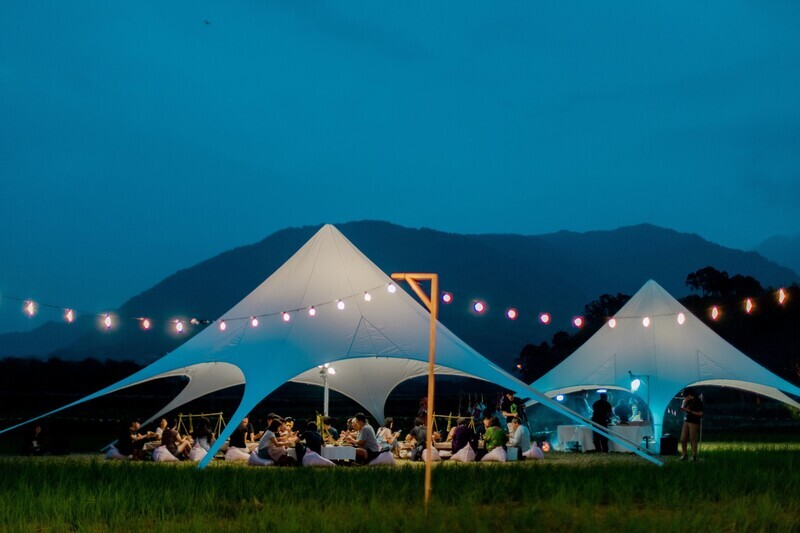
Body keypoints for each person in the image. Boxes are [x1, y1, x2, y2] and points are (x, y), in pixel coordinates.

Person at [680, 388, 704, 461]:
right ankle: (684, 455)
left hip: (694, 422)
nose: (684, 397)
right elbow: (682, 409)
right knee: (683, 439)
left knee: (693, 439)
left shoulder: (698, 401)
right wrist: (683, 403)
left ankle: (694, 456)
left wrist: (689, 411)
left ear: (690, 395)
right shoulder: (687, 401)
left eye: (685, 396)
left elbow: (700, 413)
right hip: (686, 421)